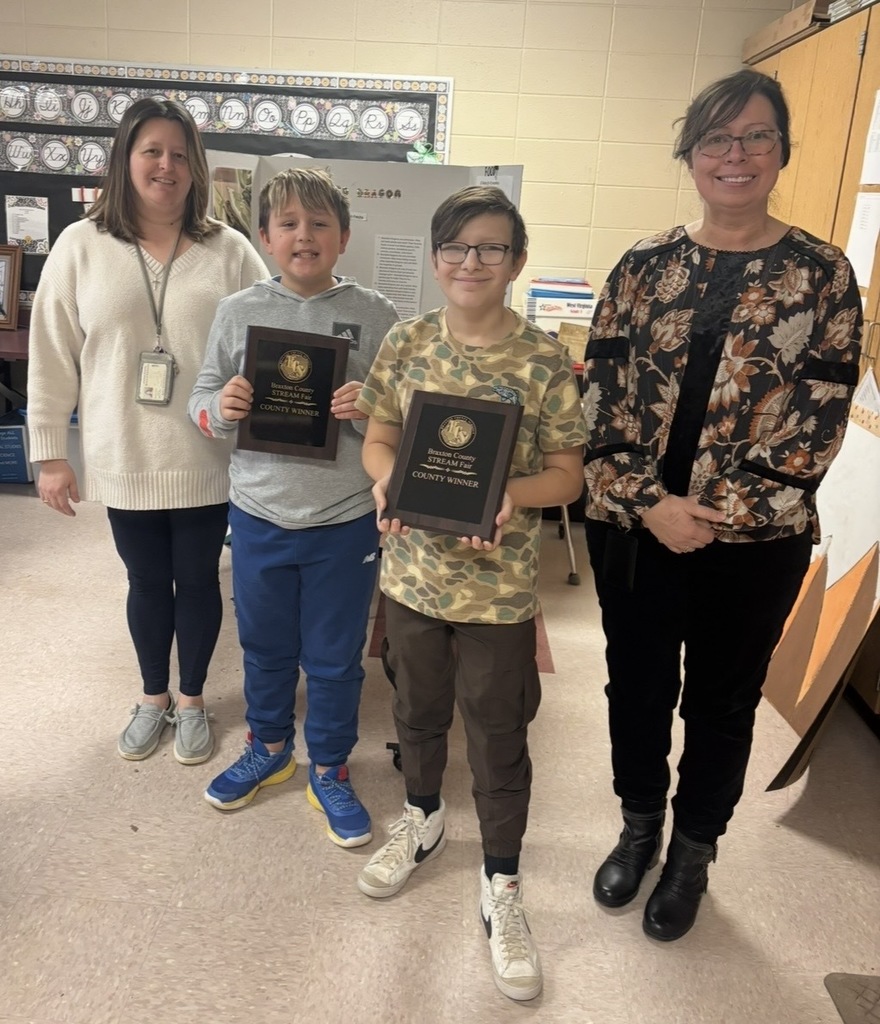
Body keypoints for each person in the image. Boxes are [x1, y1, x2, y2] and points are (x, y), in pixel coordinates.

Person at [582, 69, 862, 942]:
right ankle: (639, 827)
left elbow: (818, 417)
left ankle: (694, 851)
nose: (735, 155)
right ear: (690, 153)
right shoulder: (644, 266)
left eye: (756, 137)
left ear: (781, 152)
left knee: (721, 703)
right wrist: (652, 502)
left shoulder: (823, 276)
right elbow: (600, 399)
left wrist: (709, 513)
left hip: (754, 543)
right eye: (716, 139)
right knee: (635, 687)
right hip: (634, 529)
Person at [354, 185, 587, 1001]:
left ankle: (503, 882)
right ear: (435, 255)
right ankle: (421, 819)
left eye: (490, 248)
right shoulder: (407, 341)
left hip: (498, 592)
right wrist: (386, 484)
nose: (471, 262)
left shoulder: (542, 359)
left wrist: (511, 496)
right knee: (414, 711)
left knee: (497, 731)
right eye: (455, 246)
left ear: (517, 262)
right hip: (412, 576)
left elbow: (569, 471)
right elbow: (379, 438)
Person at [27, 97, 267, 765]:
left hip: (205, 451)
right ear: (124, 160)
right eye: (153, 151)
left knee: (197, 578)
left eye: (181, 154)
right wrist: (49, 452)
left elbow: (270, 341)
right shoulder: (82, 245)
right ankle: (152, 696)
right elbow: (52, 352)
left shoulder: (230, 250)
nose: (168, 166)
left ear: (195, 168)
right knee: (144, 579)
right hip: (122, 448)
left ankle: (191, 700)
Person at [188, 168, 399, 848]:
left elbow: (401, 422)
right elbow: (202, 395)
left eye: (318, 224)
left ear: (343, 236)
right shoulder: (238, 309)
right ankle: (270, 745)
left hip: (343, 520)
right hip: (257, 515)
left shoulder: (378, 315)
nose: (303, 236)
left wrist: (369, 409)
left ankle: (330, 765)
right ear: (265, 237)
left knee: (336, 658)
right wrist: (220, 409)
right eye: (287, 225)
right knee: (265, 645)